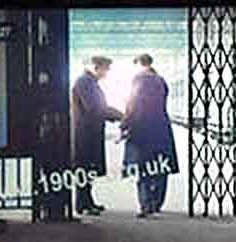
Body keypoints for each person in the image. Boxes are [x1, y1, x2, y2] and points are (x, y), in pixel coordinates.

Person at [120, 53, 179, 218]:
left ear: (139, 64)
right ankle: (157, 203)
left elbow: (133, 103)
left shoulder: (139, 79)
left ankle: (146, 205)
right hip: (161, 129)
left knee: (143, 167)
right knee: (161, 167)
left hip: (143, 130)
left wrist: (125, 124)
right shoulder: (161, 80)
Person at [71, 56, 123, 216]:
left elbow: (98, 107)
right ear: (96, 67)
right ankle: (82, 204)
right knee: (84, 169)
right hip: (85, 134)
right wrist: (120, 116)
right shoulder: (85, 82)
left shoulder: (89, 82)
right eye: (105, 69)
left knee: (88, 169)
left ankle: (87, 201)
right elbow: (95, 108)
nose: (106, 73)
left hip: (89, 132)